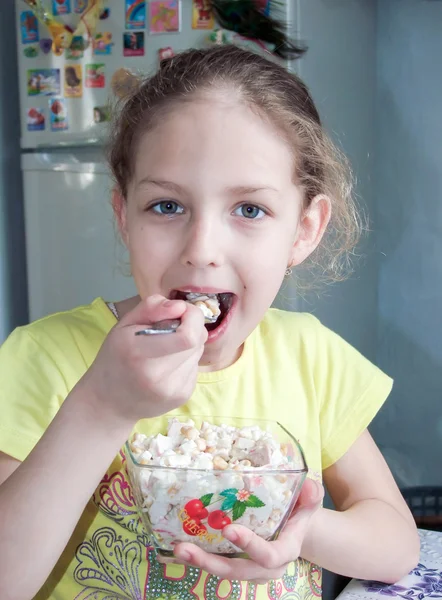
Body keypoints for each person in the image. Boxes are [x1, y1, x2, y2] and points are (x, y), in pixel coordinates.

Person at [0, 45, 419, 600]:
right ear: (124, 215)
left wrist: (293, 526)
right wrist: (102, 406)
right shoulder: (47, 357)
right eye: (167, 206)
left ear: (304, 229)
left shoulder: (311, 359)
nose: (202, 250)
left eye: (249, 210)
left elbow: (396, 543)